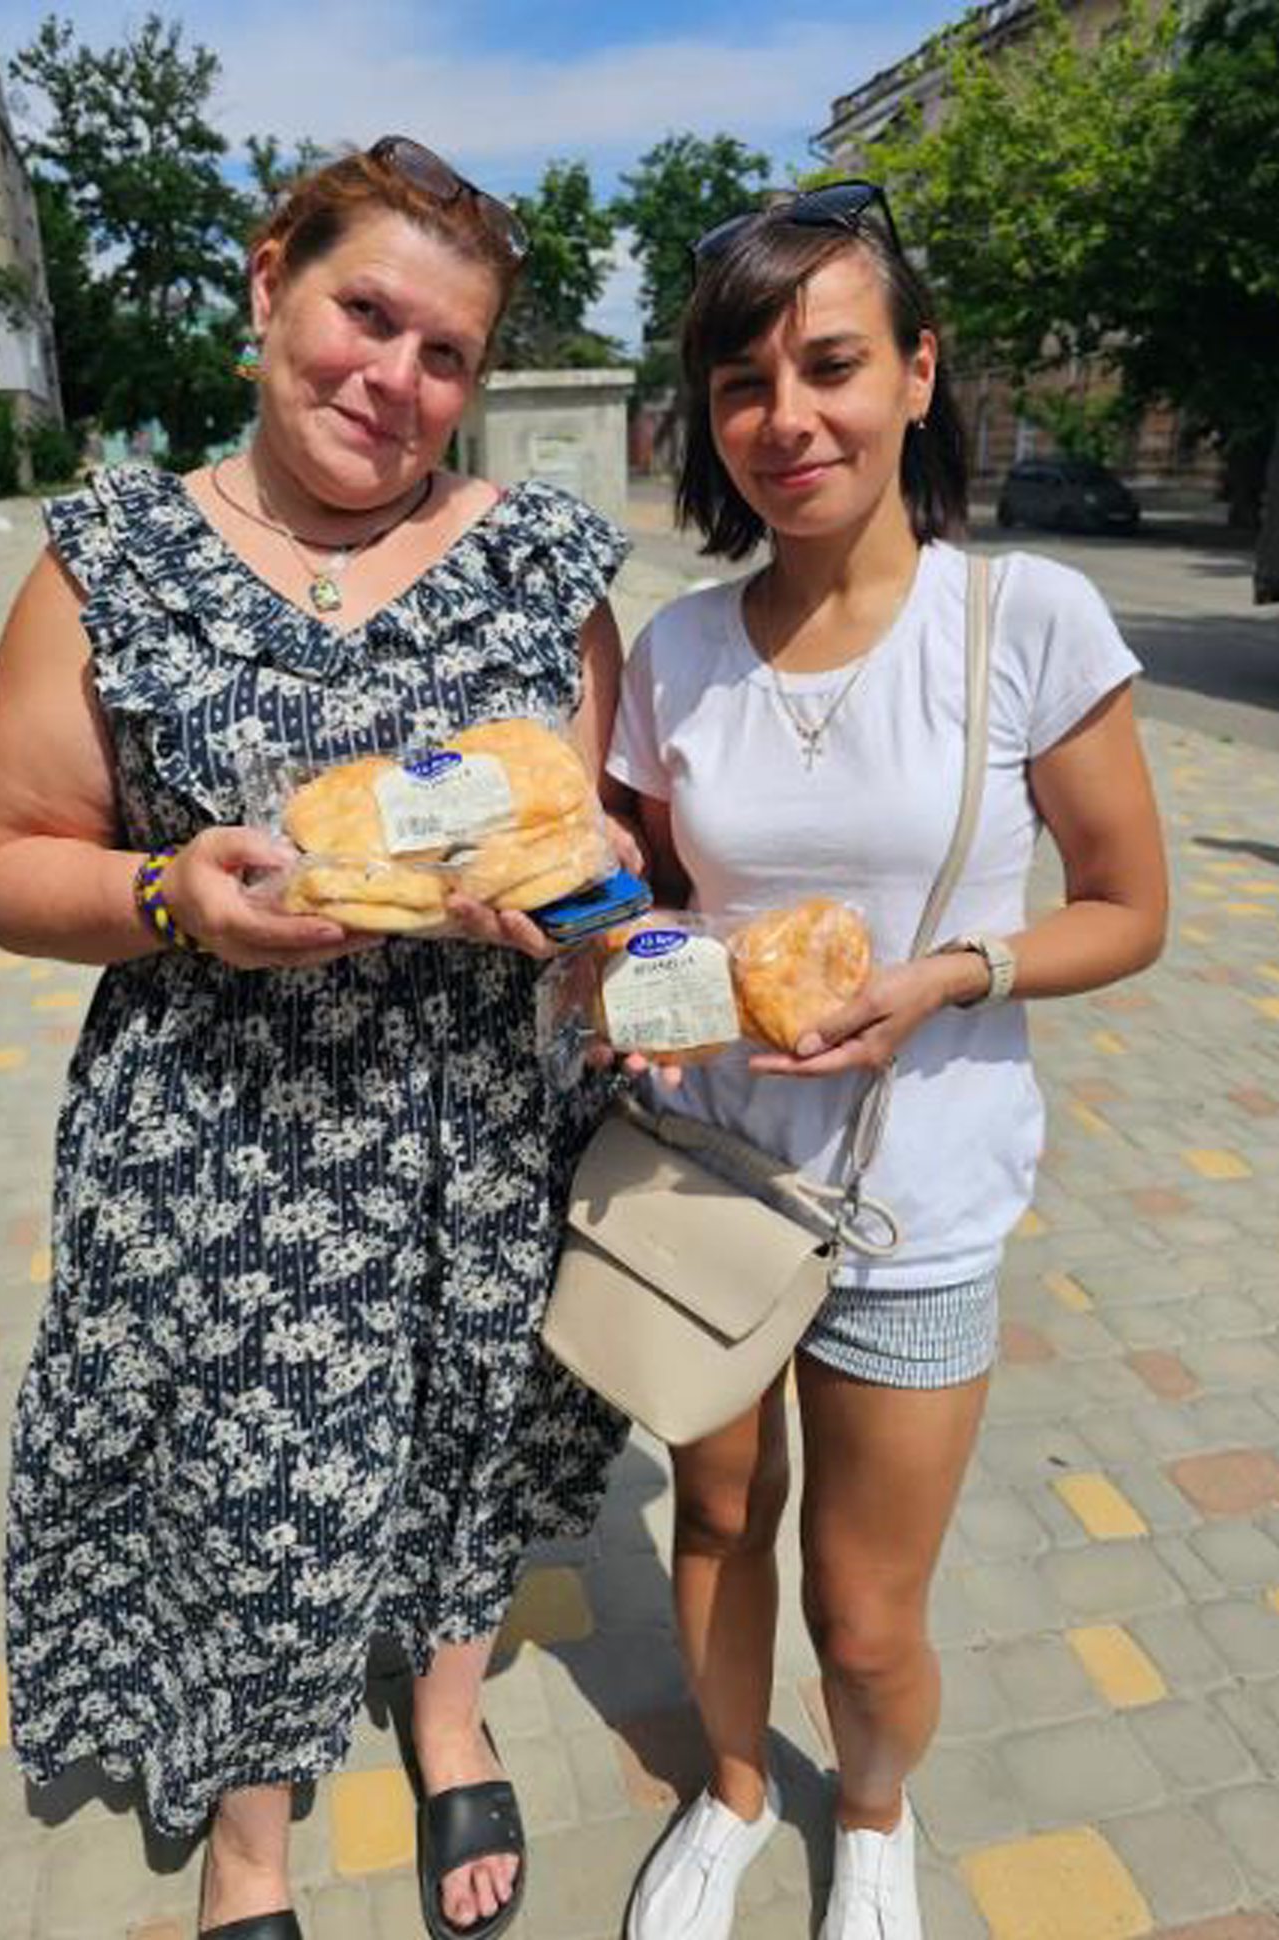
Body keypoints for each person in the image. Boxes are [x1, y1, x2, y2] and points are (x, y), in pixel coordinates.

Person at [0, 137, 632, 1940]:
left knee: (469, 1432)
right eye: (364, 315)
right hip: (225, 1143)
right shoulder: (113, 565)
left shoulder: (537, 565)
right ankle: (249, 1848)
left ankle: (449, 1704)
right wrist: (172, 900)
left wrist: (589, 903)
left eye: (445, 357)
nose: (392, 381)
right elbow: (0, 865)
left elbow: (587, 832)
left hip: (480, 1125)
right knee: (251, 1494)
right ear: (270, 287)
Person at [604, 181, 1168, 1940]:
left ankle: (873, 1813)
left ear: (920, 375)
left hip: (915, 1202)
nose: (789, 418)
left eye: (832, 364)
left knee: (865, 1611)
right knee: (712, 1525)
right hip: (707, 1178)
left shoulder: (1026, 621)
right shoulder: (680, 648)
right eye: (743, 382)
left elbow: (1131, 908)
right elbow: (636, 905)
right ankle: (735, 1793)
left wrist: (952, 975)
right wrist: (603, 941)